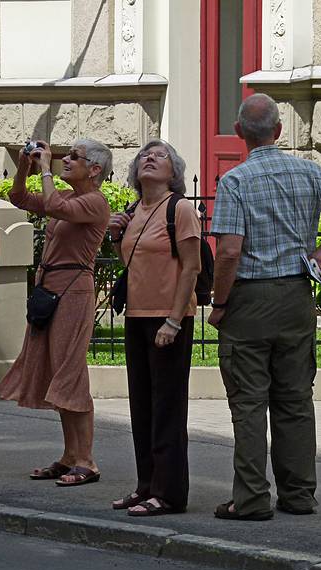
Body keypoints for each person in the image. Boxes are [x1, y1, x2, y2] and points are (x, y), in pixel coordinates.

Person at [209, 93, 321, 520]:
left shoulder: (235, 181)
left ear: (240, 132)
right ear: (279, 131)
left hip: (249, 300)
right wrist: (320, 252)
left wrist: (219, 302)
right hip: (296, 297)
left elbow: (228, 252)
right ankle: (299, 495)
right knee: (295, 400)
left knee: (248, 404)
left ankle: (250, 499)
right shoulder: (309, 173)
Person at [0, 138, 111, 486]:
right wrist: (24, 169)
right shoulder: (71, 198)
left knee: (70, 372)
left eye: (73, 157)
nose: (65, 160)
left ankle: (87, 460)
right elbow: (18, 199)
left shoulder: (94, 202)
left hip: (74, 292)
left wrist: (45, 169)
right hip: (50, 291)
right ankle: (69, 455)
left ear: (94, 170)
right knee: (55, 370)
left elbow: (52, 205)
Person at [108, 140, 201, 516]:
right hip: (137, 315)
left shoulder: (180, 209)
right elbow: (133, 262)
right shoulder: (134, 211)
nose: (150, 158)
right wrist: (116, 236)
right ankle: (145, 484)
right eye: (145, 155)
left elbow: (191, 267)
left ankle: (169, 492)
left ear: (173, 171)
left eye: (160, 155)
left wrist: (174, 320)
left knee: (167, 408)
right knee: (142, 405)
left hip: (169, 318)